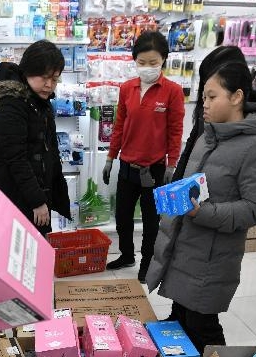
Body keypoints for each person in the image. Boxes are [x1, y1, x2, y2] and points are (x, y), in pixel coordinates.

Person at [146, 61, 256, 354]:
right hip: (186, 250)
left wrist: (201, 213)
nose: (203, 104)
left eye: (211, 96)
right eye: (203, 96)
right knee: (179, 321)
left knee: (202, 327)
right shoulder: (209, 136)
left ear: (236, 97)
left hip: (211, 259)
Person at [103, 31, 185, 283]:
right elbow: (119, 126)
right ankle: (127, 254)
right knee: (122, 217)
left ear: (163, 60)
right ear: (134, 60)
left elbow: (175, 130)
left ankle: (147, 262)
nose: (147, 67)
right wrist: (110, 158)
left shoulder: (172, 91)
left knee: (151, 223)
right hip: (128, 165)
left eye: (153, 62)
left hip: (155, 169)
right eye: (142, 62)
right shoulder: (127, 88)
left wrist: (172, 163)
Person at [0, 40, 71, 235]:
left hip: (39, 193)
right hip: (21, 200)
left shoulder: (39, 102)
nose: (49, 85)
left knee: (37, 250)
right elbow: (16, 160)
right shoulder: (12, 106)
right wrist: (38, 201)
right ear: (27, 71)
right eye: (44, 77)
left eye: (55, 79)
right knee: (24, 252)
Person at [173, 46, 246, 182]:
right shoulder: (206, 111)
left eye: (212, 96)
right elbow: (190, 147)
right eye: (206, 96)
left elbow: (255, 200)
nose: (206, 103)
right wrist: (177, 182)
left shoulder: (252, 137)